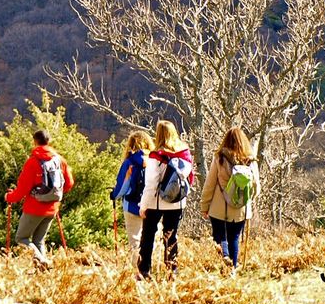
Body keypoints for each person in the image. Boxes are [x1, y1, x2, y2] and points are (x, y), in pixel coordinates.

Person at [5, 130, 75, 268]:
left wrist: (9, 197)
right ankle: (43, 272)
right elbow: (69, 183)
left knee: (21, 238)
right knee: (39, 241)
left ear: (35, 142)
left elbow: (22, 189)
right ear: (49, 141)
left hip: (34, 207)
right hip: (52, 208)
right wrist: (53, 196)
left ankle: (43, 262)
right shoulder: (59, 160)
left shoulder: (32, 162)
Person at [138, 120, 196, 279]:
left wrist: (143, 205)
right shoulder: (185, 154)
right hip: (177, 202)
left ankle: (144, 271)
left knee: (148, 235)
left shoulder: (156, 156)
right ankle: (172, 270)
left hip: (156, 203)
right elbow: (190, 179)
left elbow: (150, 184)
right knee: (171, 235)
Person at [200, 127, 260, 273]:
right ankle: (232, 268)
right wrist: (246, 200)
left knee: (220, 236)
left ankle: (225, 258)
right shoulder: (250, 160)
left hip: (219, 208)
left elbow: (210, 184)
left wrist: (204, 205)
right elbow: (256, 187)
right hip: (241, 210)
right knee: (234, 237)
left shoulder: (220, 158)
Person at [110, 131, 153, 267]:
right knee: (153, 239)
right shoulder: (155, 161)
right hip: (152, 206)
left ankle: (137, 272)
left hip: (132, 206)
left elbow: (123, 186)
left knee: (135, 241)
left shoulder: (129, 163)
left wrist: (114, 196)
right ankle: (152, 269)